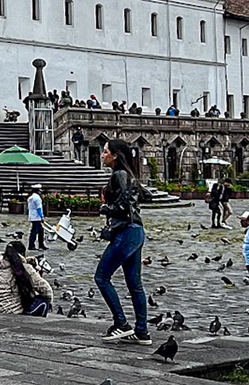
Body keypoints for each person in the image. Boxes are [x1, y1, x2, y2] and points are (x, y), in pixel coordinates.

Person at [94, 139, 149, 343]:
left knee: (101, 277)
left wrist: (105, 208)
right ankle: (142, 331)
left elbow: (123, 207)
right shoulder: (129, 175)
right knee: (134, 284)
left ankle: (121, 323)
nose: (102, 154)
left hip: (126, 232)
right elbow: (144, 197)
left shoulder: (119, 175)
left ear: (116, 155)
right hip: (136, 231)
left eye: (106, 151)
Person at [0, 240, 53, 316]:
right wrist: (50, 303)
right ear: (22, 254)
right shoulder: (24, 267)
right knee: (44, 301)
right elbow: (46, 289)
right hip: (8, 311)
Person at [27, 185, 46, 250]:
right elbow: (39, 208)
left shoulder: (30, 198)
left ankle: (41, 244)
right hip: (37, 217)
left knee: (41, 231)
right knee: (35, 231)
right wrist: (42, 216)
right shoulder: (37, 198)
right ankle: (31, 245)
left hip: (32, 215)